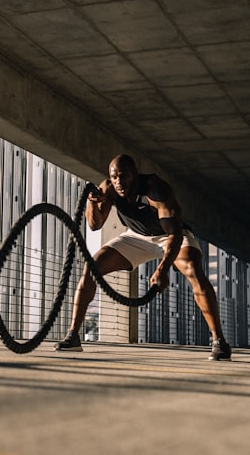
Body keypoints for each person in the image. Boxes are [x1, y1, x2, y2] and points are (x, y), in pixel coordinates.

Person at [54, 154, 231, 361]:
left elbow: (174, 234)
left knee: (193, 270)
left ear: (135, 175)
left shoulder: (156, 189)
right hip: (136, 237)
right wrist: (92, 203)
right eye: (114, 177)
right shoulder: (109, 188)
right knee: (91, 267)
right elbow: (95, 225)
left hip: (170, 236)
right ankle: (73, 336)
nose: (119, 182)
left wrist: (163, 269)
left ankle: (219, 341)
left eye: (124, 176)